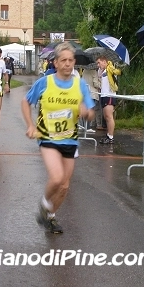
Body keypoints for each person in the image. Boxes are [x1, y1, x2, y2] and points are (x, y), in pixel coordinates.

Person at [21, 42, 95, 234]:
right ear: (55, 63)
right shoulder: (45, 82)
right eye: (63, 60)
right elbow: (25, 102)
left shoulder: (80, 85)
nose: (67, 64)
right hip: (47, 138)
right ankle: (44, 204)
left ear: (74, 62)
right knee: (56, 177)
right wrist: (30, 125)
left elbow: (90, 113)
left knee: (64, 186)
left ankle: (50, 216)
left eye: (70, 60)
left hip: (69, 139)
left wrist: (86, 112)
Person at [97, 55, 117, 144]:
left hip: (109, 95)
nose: (98, 65)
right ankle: (108, 134)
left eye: (99, 63)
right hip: (103, 95)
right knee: (106, 117)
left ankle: (111, 137)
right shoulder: (103, 71)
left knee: (109, 116)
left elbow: (114, 74)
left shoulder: (110, 69)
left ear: (104, 62)